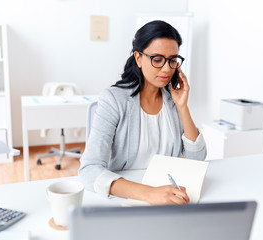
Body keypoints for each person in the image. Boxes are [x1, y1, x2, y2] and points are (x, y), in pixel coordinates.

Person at [79, 20, 206, 205]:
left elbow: (197, 160)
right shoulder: (114, 100)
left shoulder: (173, 100)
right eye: (157, 59)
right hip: (128, 195)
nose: (166, 69)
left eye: (172, 60)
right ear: (138, 58)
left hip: (167, 194)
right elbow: (89, 170)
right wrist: (150, 194)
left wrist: (182, 107)